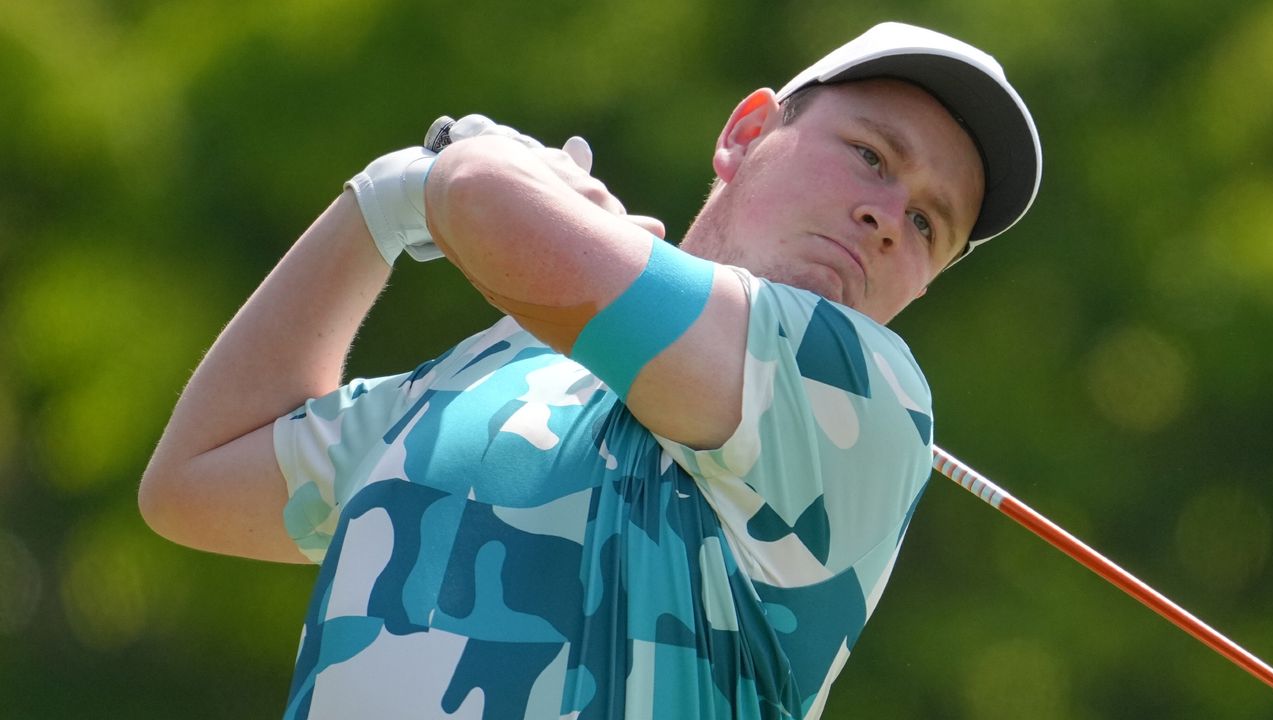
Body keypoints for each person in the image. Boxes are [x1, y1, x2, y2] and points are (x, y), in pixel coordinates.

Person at [139, 21, 1040, 720]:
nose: (889, 216)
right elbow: (194, 479)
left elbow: (486, 201)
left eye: (929, 224)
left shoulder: (863, 393)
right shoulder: (502, 366)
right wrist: (378, 206)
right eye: (872, 156)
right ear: (746, 132)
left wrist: (467, 173)